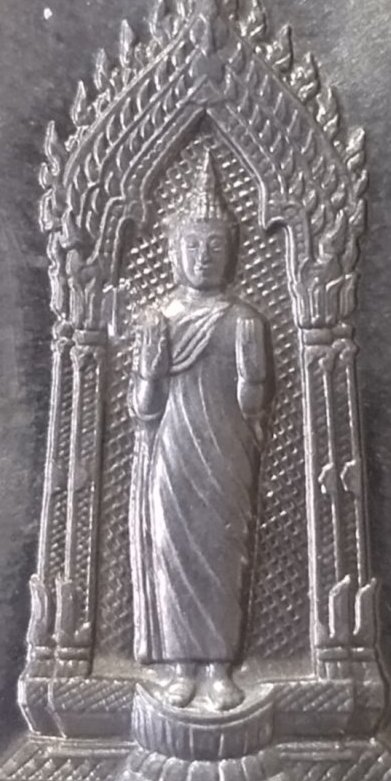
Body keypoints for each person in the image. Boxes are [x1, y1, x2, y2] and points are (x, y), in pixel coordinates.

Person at [128, 150, 271, 711]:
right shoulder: (157, 321)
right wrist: (150, 369)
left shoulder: (244, 321)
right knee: (174, 551)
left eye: (215, 245)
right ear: (173, 251)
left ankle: (218, 667)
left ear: (231, 252)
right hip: (173, 452)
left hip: (226, 451)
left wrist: (253, 377)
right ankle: (180, 666)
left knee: (224, 548)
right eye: (193, 245)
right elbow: (144, 410)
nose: (204, 255)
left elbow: (253, 404)